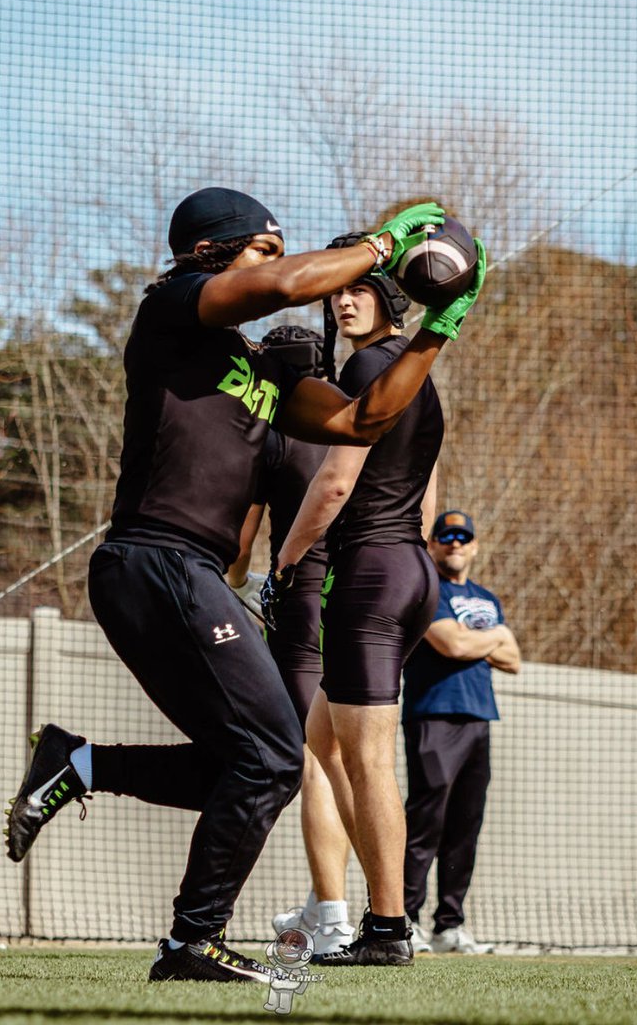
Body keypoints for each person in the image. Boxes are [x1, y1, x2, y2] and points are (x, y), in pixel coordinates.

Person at [3, 187, 482, 984]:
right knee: (270, 757)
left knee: (254, 763)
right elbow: (291, 286)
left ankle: (75, 763)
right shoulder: (173, 307)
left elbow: (362, 422)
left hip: (185, 574)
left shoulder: (250, 364)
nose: (284, 265)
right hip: (153, 559)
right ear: (210, 253)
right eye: (267, 248)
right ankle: (190, 944)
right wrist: (380, 245)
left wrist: (438, 329)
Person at [263, 228, 485, 967]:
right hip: (407, 570)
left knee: (367, 760)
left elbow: (334, 483)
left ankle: (388, 929)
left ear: (393, 298)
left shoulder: (366, 371)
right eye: (336, 291)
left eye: (357, 288)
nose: (342, 298)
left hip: (370, 574)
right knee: (324, 742)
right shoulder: (409, 372)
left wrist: (286, 563)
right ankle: (378, 914)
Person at [227, 325, 355, 957]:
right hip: (367, 596)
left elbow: (238, 550)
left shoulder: (271, 436)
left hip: (302, 600)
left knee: (314, 760)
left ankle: (333, 918)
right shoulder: (363, 416)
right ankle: (327, 903)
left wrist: (244, 587)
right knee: (355, 755)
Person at [402, 510, 521, 956]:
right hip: (432, 716)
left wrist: (486, 640)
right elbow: (452, 644)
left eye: (463, 537)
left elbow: (515, 660)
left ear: (474, 545)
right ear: (432, 544)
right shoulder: (423, 590)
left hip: (479, 720)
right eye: (446, 536)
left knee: (465, 827)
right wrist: (494, 638)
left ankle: (449, 925)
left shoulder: (486, 598)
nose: (454, 543)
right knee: (424, 823)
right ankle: (404, 920)